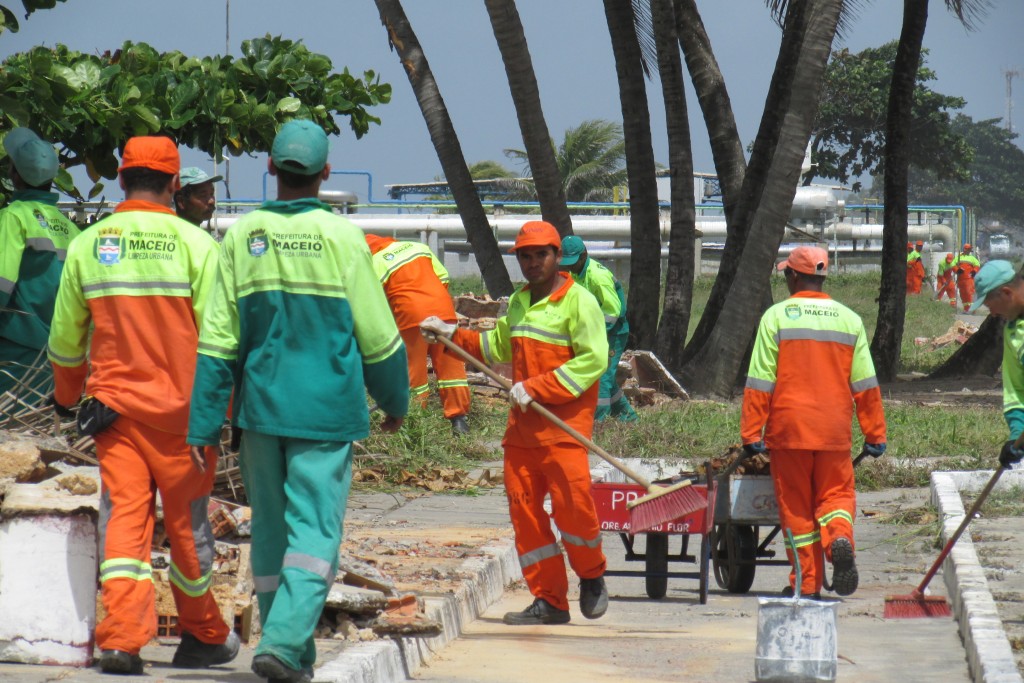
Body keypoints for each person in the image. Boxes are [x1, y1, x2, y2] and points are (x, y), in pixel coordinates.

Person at [187, 120, 409, 683]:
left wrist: (204, 423)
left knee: (270, 530)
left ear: (270, 169)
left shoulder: (242, 236)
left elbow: (217, 341)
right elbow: (378, 336)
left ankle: (292, 651)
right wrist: (395, 400)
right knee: (314, 534)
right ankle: (285, 644)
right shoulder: (343, 238)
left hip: (260, 414)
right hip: (325, 414)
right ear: (325, 173)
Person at [47, 136, 238, 675]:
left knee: (124, 526)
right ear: (175, 183)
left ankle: (122, 640)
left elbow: (65, 340)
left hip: (116, 415)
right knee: (188, 529)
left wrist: (66, 398)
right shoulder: (198, 246)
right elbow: (221, 341)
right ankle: (202, 634)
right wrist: (221, 412)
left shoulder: (90, 244)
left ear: (121, 178)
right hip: (185, 421)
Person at [421, 220, 610, 626]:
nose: (533, 262)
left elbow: (593, 361)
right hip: (523, 431)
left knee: (574, 511)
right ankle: (550, 600)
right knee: (525, 515)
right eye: (525, 256)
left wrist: (538, 387)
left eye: (541, 254)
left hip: (564, 429)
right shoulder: (520, 301)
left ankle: (591, 575)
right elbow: (497, 345)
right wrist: (453, 334)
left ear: (557, 257)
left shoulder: (579, 302)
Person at [740, 246, 887, 599]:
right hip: (833, 431)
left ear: (793, 275)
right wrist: (875, 433)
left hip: (789, 431)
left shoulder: (776, 317)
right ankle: (838, 538)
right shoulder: (849, 320)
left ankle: (806, 585)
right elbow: (865, 383)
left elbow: (761, 380)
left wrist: (751, 432)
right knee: (836, 496)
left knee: (796, 508)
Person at [364, 234, 471, 434]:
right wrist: (433, 303)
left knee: (413, 370)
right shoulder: (417, 247)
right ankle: (459, 420)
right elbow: (444, 277)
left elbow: (375, 301)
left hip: (411, 316)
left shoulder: (376, 262)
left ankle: (415, 421)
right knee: (450, 367)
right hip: (443, 310)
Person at [0, 128, 76, 395]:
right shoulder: (70, 229)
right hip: (57, 354)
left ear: (14, 175)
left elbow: (1, 284)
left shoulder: (13, 217)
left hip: (16, 352)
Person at [559, 235, 638, 422]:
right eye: (567, 263)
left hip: (613, 332)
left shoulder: (597, 276)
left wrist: (594, 331)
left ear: (584, 255)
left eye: (573, 262)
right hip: (594, 331)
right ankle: (628, 418)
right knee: (606, 378)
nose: (570, 267)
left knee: (601, 376)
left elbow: (613, 311)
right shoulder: (575, 274)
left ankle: (598, 422)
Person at [969, 261, 1024, 469]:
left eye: (990, 305)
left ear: (1007, 293)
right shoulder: (1012, 331)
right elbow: (1016, 391)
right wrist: (1017, 436)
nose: (992, 314)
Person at [954, 244, 981, 312]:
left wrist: (974, 271)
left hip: (969, 279)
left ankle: (972, 310)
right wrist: (957, 270)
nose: (967, 250)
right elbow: (953, 265)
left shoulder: (972, 258)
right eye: (966, 249)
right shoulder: (958, 257)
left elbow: (977, 265)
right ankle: (966, 309)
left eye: (968, 249)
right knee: (963, 294)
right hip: (960, 279)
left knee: (969, 293)